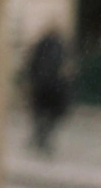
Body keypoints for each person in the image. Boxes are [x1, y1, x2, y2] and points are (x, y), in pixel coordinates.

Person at [24, 28, 71, 156]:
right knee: (48, 116)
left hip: (43, 86)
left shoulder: (42, 47)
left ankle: (41, 137)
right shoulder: (59, 48)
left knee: (41, 115)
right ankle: (42, 138)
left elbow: (31, 65)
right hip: (51, 87)